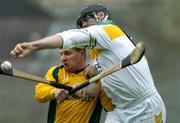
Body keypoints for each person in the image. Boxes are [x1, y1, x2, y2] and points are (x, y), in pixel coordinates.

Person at [10, 4, 166, 123]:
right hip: (118, 111)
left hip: (143, 107)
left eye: (85, 20)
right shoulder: (97, 54)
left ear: (100, 15)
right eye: (81, 24)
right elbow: (95, 89)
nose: (84, 26)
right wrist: (86, 85)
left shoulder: (108, 30)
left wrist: (34, 45)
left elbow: (70, 37)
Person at [35, 47, 114, 123]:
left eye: (67, 53)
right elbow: (39, 93)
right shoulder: (56, 72)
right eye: (61, 54)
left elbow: (111, 107)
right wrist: (55, 92)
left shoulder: (96, 76)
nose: (63, 58)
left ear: (82, 53)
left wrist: (101, 78)